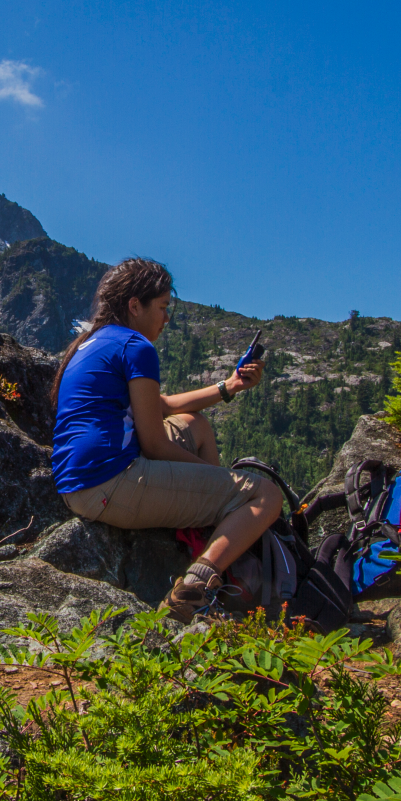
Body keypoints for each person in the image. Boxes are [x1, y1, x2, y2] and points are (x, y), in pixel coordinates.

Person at [50, 258, 279, 622]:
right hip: (109, 484)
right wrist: (220, 479)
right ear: (134, 306)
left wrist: (230, 386)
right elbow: (155, 445)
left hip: (78, 481)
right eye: (163, 307)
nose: (166, 318)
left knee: (196, 424)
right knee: (265, 494)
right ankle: (194, 588)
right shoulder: (136, 346)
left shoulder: (93, 342)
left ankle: (214, 523)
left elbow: (164, 406)